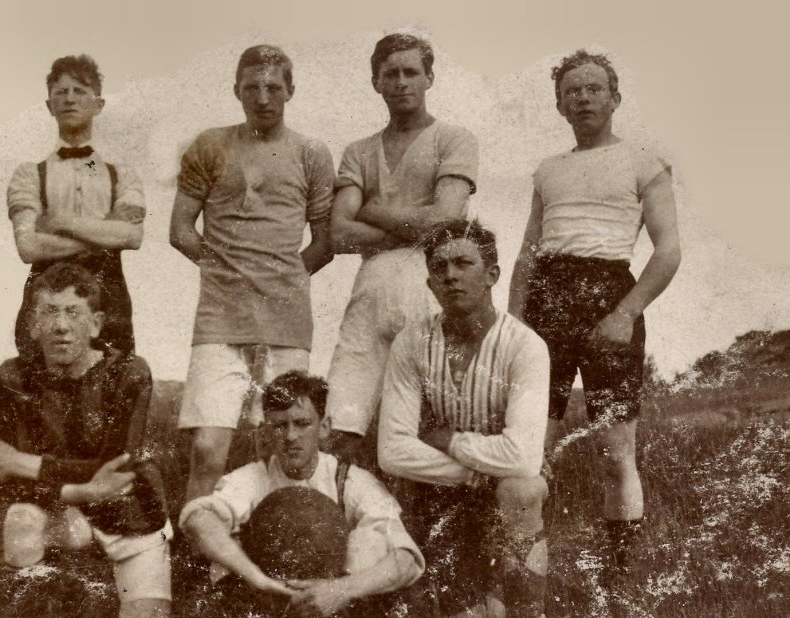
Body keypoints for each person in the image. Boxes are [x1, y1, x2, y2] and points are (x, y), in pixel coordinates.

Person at [508, 49, 681, 607]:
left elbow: (669, 251)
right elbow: (529, 252)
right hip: (547, 304)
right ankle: (527, 578)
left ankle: (620, 583)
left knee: (614, 450)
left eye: (593, 88)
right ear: (559, 104)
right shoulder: (548, 169)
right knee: (534, 449)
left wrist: (625, 313)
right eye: (571, 91)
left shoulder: (643, 161)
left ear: (614, 98)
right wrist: (513, 320)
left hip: (608, 295)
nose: (582, 98)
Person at [169, 45, 335, 502]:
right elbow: (180, 230)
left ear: (291, 90)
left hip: (286, 319)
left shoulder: (312, 152)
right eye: (252, 88)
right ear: (236, 91)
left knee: (286, 445)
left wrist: (284, 279)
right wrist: (227, 271)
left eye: (274, 87)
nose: (263, 97)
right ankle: (198, 559)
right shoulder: (210, 144)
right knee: (208, 448)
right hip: (220, 316)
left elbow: (324, 243)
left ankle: (275, 546)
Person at [379, 220, 550, 617]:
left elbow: (523, 458)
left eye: (463, 263)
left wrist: (451, 441)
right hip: (443, 483)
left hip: (507, 488)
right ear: (429, 283)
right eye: (439, 268)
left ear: (492, 275)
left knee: (521, 488)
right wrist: (471, 474)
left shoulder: (525, 345)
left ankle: (528, 608)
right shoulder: (412, 341)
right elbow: (391, 449)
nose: (450, 275)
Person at [0, 264, 170, 618]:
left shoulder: (129, 372)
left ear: (96, 323)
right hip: (57, 509)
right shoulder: (14, 376)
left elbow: (119, 468)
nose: (61, 325)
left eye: (73, 312)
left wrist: (25, 463)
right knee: (21, 518)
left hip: (127, 510)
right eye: (49, 312)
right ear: (33, 325)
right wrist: (79, 493)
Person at [326, 33, 478, 464]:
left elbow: (445, 221)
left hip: (428, 285)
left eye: (411, 72)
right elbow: (339, 233)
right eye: (390, 73)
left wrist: (373, 209)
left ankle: (423, 530)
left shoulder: (453, 139)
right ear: (376, 82)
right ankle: (345, 523)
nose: (401, 81)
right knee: (343, 422)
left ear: (429, 77)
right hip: (370, 290)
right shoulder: (358, 152)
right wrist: (411, 225)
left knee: (430, 425)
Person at [181, 371, 424, 617]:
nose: (290, 436)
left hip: (334, 602)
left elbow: (406, 558)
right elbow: (197, 518)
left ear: (325, 427)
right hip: (267, 598)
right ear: (266, 432)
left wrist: (339, 590)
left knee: (370, 541)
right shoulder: (252, 478)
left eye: (302, 423)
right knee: (228, 545)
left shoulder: (350, 480)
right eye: (279, 425)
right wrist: (259, 580)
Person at [8, 54, 144, 360]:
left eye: (80, 91)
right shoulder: (29, 173)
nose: (70, 99)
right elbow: (28, 246)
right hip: (46, 301)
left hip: (109, 302)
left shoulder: (121, 172)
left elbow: (132, 237)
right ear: (49, 105)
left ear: (99, 104)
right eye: (61, 92)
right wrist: (106, 228)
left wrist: (57, 221)